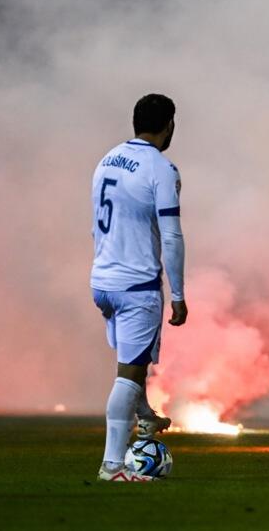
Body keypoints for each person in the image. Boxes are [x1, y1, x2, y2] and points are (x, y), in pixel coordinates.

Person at [90, 94, 188, 482]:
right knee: (128, 374)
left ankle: (143, 413)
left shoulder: (106, 160)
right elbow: (172, 236)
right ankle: (112, 466)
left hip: (103, 281)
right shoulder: (160, 168)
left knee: (134, 360)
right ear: (169, 125)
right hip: (136, 284)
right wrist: (178, 295)